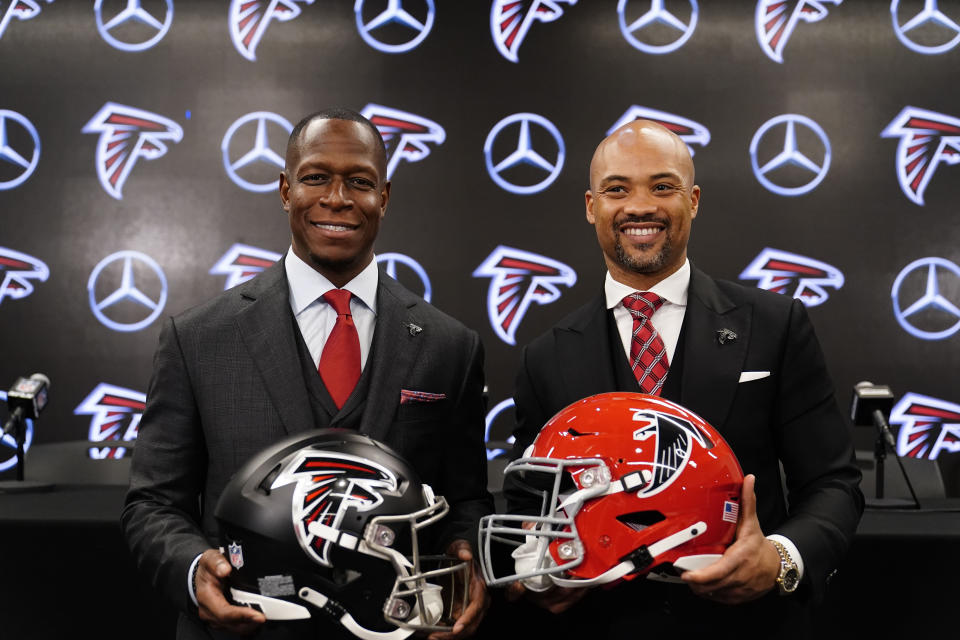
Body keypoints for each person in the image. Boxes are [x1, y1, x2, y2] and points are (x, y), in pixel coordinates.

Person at [121, 108, 493, 640]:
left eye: (359, 182)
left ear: (383, 197)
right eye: (316, 177)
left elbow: (466, 499)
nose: (337, 198)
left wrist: (464, 553)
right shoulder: (198, 338)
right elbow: (153, 503)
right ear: (285, 189)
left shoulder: (450, 345)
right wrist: (191, 567)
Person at [502, 120, 864, 637]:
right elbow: (530, 506)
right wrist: (539, 573)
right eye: (617, 189)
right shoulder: (546, 356)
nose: (640, 206)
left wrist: (780, 559)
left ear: (693, 200)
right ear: (591, 206)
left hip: (748, 627)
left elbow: (833, 482)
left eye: (662, 186)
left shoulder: (776, 325)